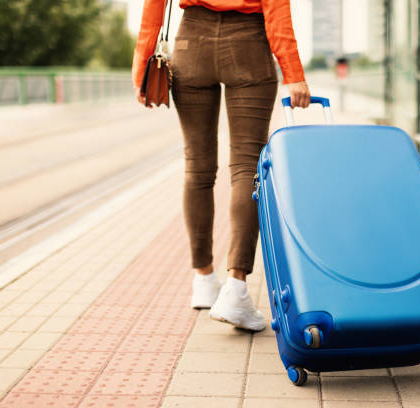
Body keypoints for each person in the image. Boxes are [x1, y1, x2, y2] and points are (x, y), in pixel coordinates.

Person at [132, 0, 310, 331]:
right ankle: (237, 289)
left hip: (191, 42)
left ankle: (203, 279)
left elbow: (154, 5)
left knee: (197, 168)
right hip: (249, 44)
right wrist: (294, 74)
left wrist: (142, 61)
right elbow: (276, 10)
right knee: (246, 166)